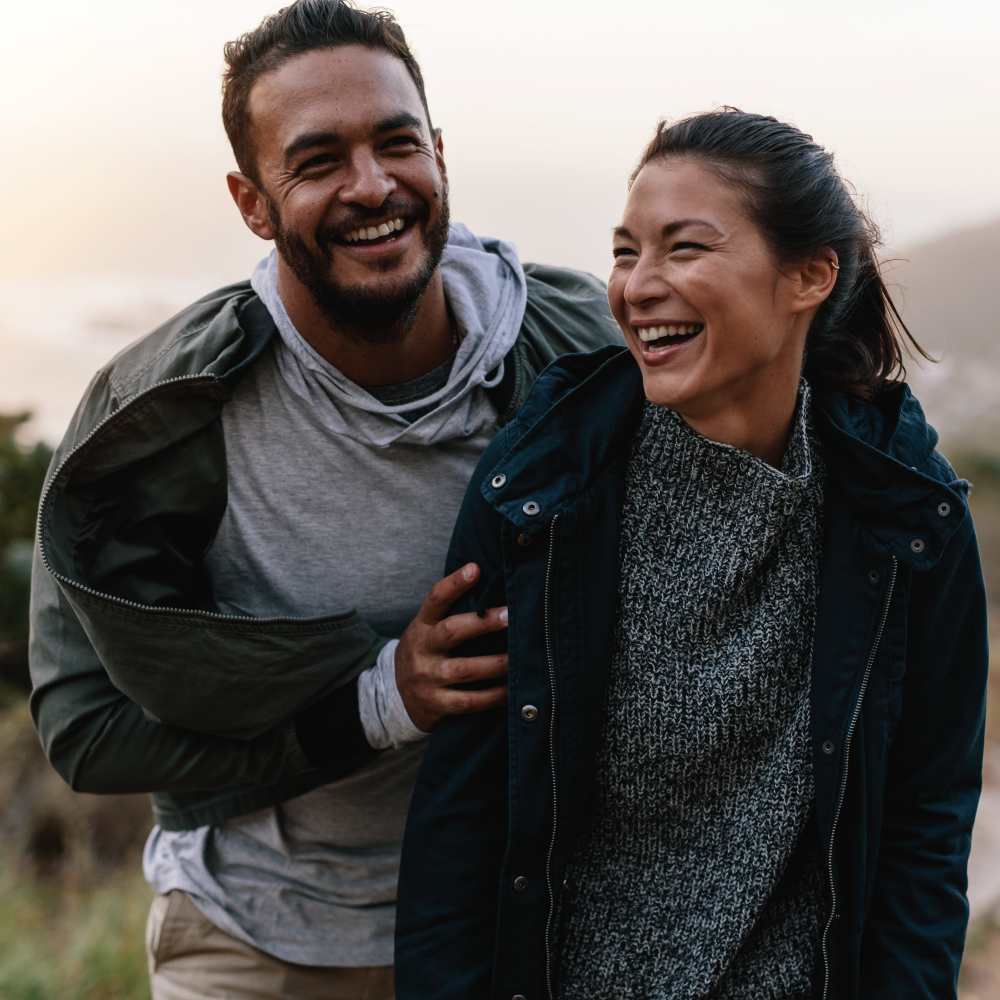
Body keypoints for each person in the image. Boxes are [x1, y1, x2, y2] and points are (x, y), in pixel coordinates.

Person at [27, 1, 619, 996]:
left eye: (397, 143)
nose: (371, 185)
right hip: (254, 940)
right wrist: (380, 700)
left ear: (437, 152)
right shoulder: (155, 413)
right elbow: (84, 726)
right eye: (316, 160)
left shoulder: (576, 348)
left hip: (520, 932)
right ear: (251, 202)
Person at [395, 109, 989, 1000]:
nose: (638, 286)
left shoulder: (906, 515)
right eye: (627, 251)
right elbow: (463, 821)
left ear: (808, 277)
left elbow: (924, 828)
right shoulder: (541, 491)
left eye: (685, 248)